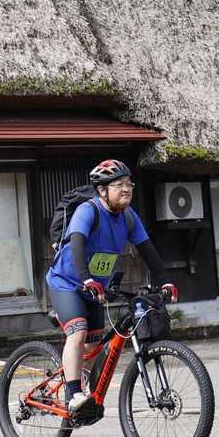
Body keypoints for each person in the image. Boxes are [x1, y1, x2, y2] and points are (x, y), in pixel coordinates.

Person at [45, 159, 177, 418]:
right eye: (119, 185)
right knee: (78, 333)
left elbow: (148, 251)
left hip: (96, 288)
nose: (126, 189)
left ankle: (74, 392)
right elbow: (77, 244)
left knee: (94, 346)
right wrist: (85, 279)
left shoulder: (128, 217)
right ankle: (73, 395)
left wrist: (165, 281)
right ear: (102, 190)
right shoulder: (88, 211)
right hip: (66, 283)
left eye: (129, 184)